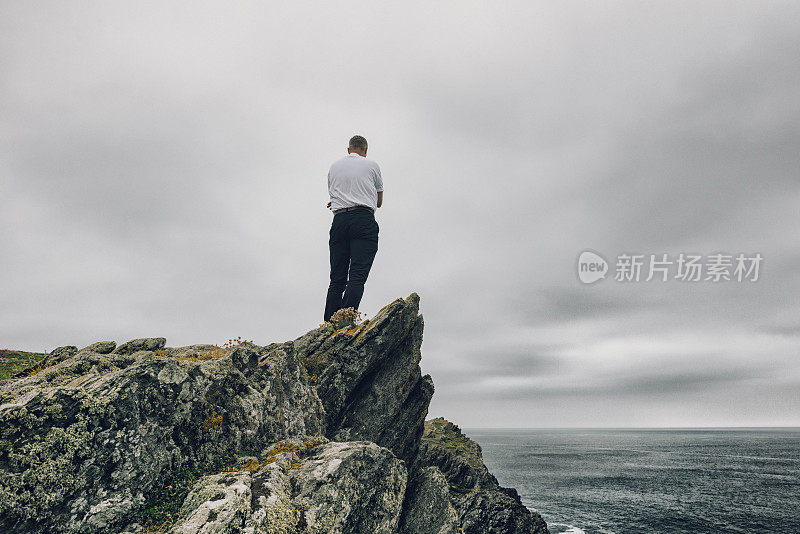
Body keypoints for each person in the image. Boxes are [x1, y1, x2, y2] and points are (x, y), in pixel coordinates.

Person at [323, 135, 383, 322]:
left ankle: (328, 325)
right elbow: (379, 202)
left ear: (348, 150)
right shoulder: (372, 165)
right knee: (357, 275)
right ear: (365, 150)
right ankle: (344, 320)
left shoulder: (334, 167)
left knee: (337, 279)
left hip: (339, 220)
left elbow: (334, 196)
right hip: (363, 219)